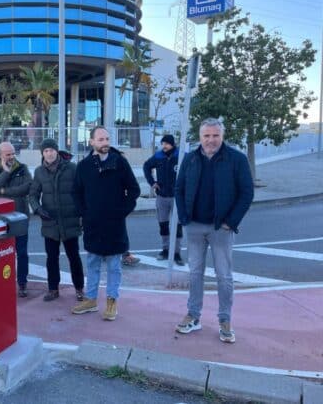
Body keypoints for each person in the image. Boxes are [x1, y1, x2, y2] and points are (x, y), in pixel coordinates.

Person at [174, 118, 253, 344]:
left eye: (215, 135)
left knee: (224, 276)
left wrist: (231, 222)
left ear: (222, 136)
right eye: (206, 136)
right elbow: (179, 190)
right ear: (200, 137)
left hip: (222, 228)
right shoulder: (190, 159)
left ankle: (225, 320)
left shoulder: (236, 159)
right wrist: (184, 217)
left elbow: (246, 193)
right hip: (195, 227)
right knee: (195, 273)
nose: (211, 140)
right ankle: (193, 316)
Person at [72, 126, 140, 321]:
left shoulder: (120, 162)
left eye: (107, 139)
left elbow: (133, 190)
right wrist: (84, 213)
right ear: (92, 142)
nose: (105, 143)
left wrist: (122, 211)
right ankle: (91, 299)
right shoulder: (84, 166)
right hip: (92, 224)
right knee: (92, 263)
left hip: (115, 225)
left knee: (114, 266)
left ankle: (111, 301)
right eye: (101, 139)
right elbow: (76, 192)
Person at [29, 138, 85, 302]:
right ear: (42, 154)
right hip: (50, 222)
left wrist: (81, 213)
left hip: (70, 221)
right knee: (51, 258)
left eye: (51, 150)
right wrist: (38, 210)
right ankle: (53, 289)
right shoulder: (39, 172)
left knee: (74, 256)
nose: (49, 153)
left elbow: (81, 191)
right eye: (46, 151)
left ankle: (79, 288)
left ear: (57, 151)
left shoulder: (72, 168)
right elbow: (32, 195)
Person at [0, 141, 32, 297]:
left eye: (13, 153)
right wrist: (5, 173)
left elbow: (27, 187)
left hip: (20, 218)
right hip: (1, 221)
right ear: (0, 155)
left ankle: (22, 283)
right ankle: (1, 283)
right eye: (8, 154)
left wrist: (4, 190)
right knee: (1, 254)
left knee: (22, 253)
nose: (12, 157)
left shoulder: (22, 168)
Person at [143, 134, 184, 266]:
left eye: (166, 143)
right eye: (162, 143)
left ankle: (177, 253)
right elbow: (146, 166)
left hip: (177, 197)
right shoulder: (159, 156)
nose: (164, 146)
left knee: (177, 226)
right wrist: (152, 182)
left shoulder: (182, 155)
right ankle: (165, 250)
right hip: (162, 196)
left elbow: (192, 170)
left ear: (172, 144)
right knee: (163, 225)